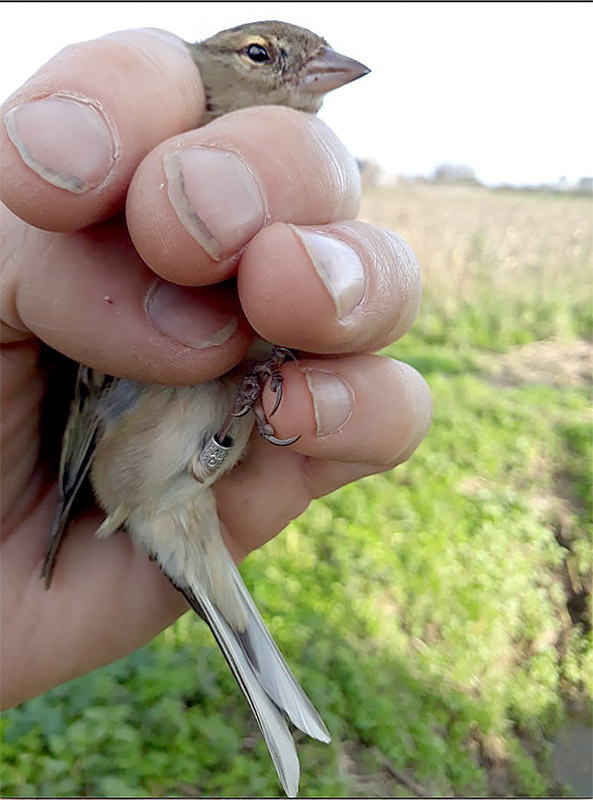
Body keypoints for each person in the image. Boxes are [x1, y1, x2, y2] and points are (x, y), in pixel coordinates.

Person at [0, 27, 432, 711]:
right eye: (261, 55)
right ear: (209, 70)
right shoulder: (149, 156)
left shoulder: (256, 189)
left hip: (174, 471)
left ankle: (223, 436)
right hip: (135, 473)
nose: (315, 71)